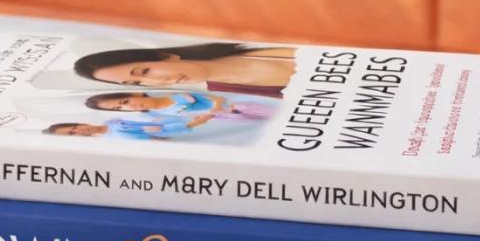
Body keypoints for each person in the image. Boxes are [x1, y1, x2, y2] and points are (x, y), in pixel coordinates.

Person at [73, 42, 297, 98]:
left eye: (144, 72)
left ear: (167, 56)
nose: (159, 82)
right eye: (138, 84)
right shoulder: (231, 96)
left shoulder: (257, 43)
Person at [85, 91, 274, 121]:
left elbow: (215, 97)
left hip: (235, 107)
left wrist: (215, 107)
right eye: (119, 109)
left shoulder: (176, 96)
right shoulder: (150, 116)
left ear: (134, 93)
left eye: (124, 102)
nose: (127, 107)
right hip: (224, 120)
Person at [44, 112, 214, 140]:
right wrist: (196, 122)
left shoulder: (112, 121)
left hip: (178, 118)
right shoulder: (114, 139)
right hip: (188, 130)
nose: (79, 130)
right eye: (72, 134)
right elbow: (158, 137)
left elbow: (149, 118)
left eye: (74, 127)